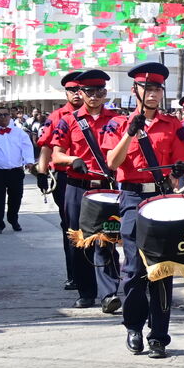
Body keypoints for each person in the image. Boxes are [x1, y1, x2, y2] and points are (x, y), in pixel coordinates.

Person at [102, 62, 184, 358]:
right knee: (134, 269)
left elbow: (180, 167)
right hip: (131, 198)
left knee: (161, 269)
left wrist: (178, 171)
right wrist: (130, 133)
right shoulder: (117, 124)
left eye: (157, 88)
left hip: (162, 198)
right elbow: (113, 163)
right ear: (135, 91)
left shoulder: (174, 126)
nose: (153, 93)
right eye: (147, 88)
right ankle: (133, 325)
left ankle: (159, 335)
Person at [48, 70, 123, 310]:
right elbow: (56, 154)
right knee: (79, 241)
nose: (94, 97)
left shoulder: (117, 121)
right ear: (80, 93)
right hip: (77, 188)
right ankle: (86, 291)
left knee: (108, 239)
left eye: (99, 92)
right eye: (88, 92)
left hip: (107, 189)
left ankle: (109, 293)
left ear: (105, 93)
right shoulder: (68, 120)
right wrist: (71, 160)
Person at [36, 72, 86, 289]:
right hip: (65, 177)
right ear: (65, 92)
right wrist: (41, 172)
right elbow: (46, 145)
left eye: (79, 89)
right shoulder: (57, 116)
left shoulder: (101, 115)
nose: (76, 94)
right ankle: (75, 274)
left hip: (95, 177)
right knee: (71, 227)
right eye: (72, 90)